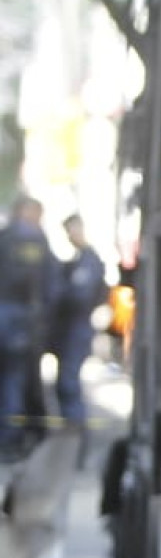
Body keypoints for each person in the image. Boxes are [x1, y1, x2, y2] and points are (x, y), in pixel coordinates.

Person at [0, 196, 56, 461]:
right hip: (20, 320)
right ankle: (13, 438)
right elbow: (49, 283)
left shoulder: (5, 236)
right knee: (15, 381)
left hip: (11, 316)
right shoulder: (34, 240)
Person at [49, 214, 109, 437]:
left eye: (71, 230)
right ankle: (71, 425)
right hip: (70, 327)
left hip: (78, 326)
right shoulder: (79, 259)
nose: (69, 237)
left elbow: (80, 295)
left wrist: (59, 292)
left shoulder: (89, 260)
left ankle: (75, 428)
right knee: (65, 378)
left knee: (68, 379)